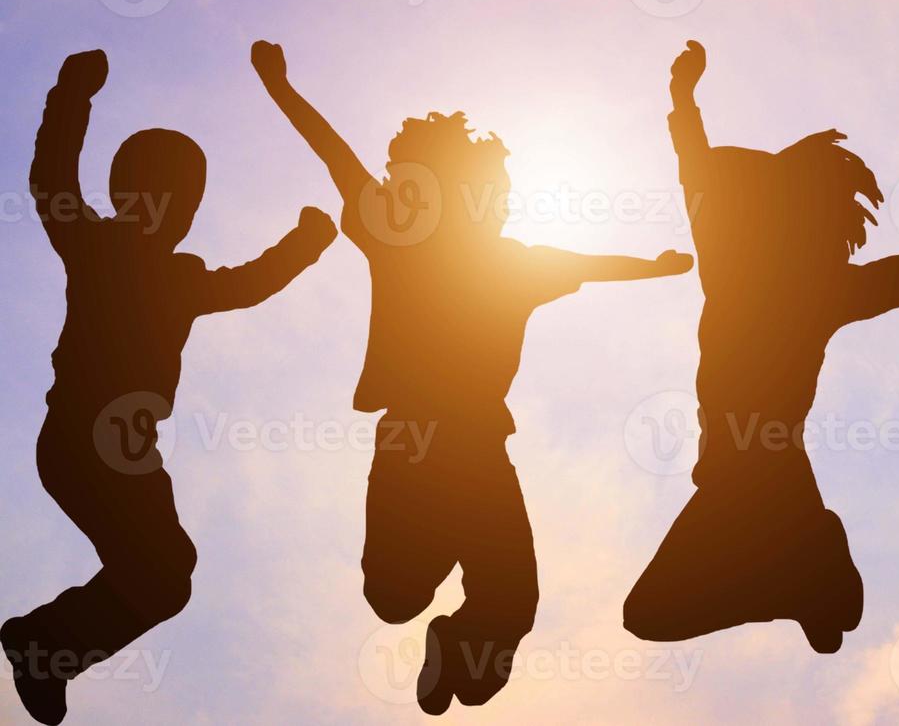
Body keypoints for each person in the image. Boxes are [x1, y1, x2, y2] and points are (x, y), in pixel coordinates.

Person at [249, 41, 692, 714]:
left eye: (503, 196)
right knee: (395, 597)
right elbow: (339, 160)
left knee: (508, 607)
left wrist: (653, 265)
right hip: (419, 441)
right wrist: (280, 88)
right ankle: (432, 606)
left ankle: (458, 646)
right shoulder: (406, 236)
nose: (502, 207)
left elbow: (589, 261)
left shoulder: (511, 262)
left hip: (476, 447)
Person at [623, 40, 899, 653]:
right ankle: (802, 584)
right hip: (726, 475)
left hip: (768, 469)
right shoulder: (740, 262)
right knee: (647, 617)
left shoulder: (813, 287)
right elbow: (694, 162)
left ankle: (808, 572)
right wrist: (682, 96)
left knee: (654, 615)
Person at [3, 49, 337, 725]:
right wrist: (72, 96)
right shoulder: (95, 244)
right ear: (133, 197)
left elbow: (247, 284)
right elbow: (50, 178)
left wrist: (305, 244)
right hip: (79, 441)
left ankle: (50, 642)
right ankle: (45, 642)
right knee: (160, 572)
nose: (177, 215)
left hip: (128, 455)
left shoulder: (180, 280)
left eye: (185, 203)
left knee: (167, 575)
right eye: (168, 198)